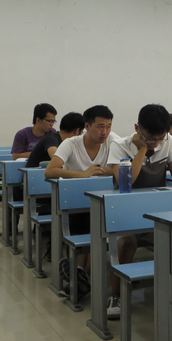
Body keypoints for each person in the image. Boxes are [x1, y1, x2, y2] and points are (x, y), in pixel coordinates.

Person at [106, 104, 172, 319]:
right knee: (126, 243)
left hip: (158, 213)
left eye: (160, 138)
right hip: (125, 214)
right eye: (149, 139)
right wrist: (142, 150)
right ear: (137, 128)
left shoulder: (168, 141)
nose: (155, 143)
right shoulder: (119, 145)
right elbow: (126, 182)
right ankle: (116, 295)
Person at [45, 105, 118, 300]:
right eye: (100, 126)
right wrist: (82, 174)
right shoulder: (71, 144)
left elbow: (123, 167)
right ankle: (80, 276)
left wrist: (104, 170)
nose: (105, 132)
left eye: (108, 126)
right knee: (83, 228)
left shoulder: (112, 141)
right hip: (74, 203)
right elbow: (50, 171)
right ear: (87, 126)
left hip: (100, 203)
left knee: (97, 227)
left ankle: (79, 278)